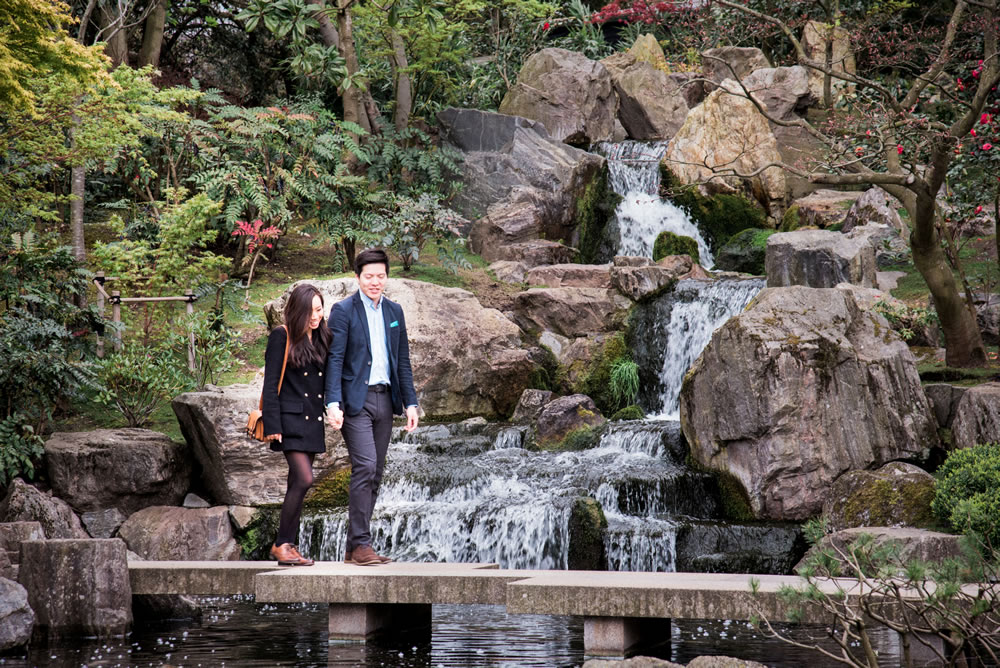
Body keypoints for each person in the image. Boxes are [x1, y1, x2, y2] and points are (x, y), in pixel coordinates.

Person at [325, 248, 419, 567]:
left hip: (385, 399)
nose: (375, 281)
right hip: (356, 401)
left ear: (386, 276)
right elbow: (334, 358)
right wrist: (332, 402)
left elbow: (402, 361)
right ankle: (363, 544)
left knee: (375, 473)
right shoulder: (343, 310)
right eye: (369, 276)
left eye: (380, 276)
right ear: (357, 277)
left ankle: (354, 547)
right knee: (364, 465)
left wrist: (411, 403)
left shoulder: (395, 312)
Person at [262, 283, 332, 566]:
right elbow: (270, 384)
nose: (315, 317)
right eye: (310, 312)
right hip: (289, 422)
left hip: (313, 421)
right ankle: (280, 544)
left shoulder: (323, 337)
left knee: (296, 484)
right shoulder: (282, 335)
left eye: (319, 309)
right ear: (296, 311)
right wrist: (272, 423)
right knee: (305, 479)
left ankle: (287, 544)